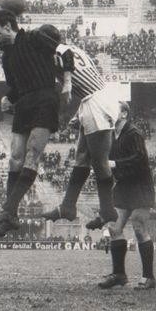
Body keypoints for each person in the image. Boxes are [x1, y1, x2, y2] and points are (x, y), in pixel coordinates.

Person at [0, 10, 67, 237]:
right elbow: (15, 86)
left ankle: (7, 210)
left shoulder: (34, 37)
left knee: (32, 154)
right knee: (15, 157)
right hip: (24, 102)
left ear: (7, 26)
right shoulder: (7, 57)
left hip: (45, 99)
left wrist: (68, 79)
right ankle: (10, 216)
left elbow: (64, 49)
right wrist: (8, 98)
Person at [40, 35, 119, 230]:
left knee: (99, 162)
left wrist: (65, 83)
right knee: (82, 157)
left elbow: (65, 60)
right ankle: (68, 207)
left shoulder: (59, 52)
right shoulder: (74, 49)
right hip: (92, 100)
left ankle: (108, 209)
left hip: (96, 102)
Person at [98, 102, 156, 290]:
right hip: (123, 185)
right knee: (114, 227)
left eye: (112, 108)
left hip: (140, 185)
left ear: (123, 114)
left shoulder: (133, 133)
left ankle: (148, 277)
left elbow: (140, 159)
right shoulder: (110, 135)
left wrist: (115, 164)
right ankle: (119, 274)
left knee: (138, 225)